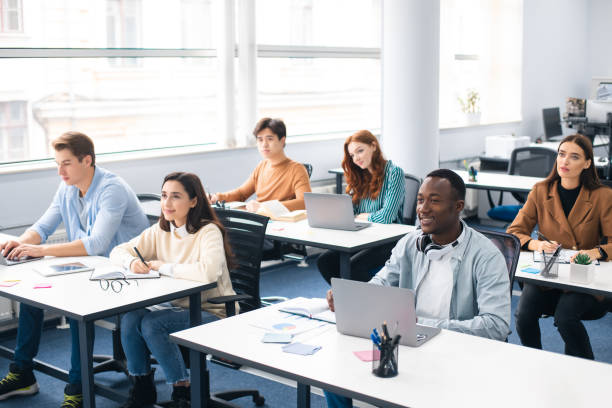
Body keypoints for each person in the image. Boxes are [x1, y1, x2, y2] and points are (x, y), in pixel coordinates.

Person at [325, 169, 511, 408]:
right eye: (421, 199)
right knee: (335, 378)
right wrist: (352, 298)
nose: (423, 208)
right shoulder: (410, 243)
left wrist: (422, 326)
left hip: (457, 351)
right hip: (410, 343)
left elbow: (496, 325)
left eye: (434, 200)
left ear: (458, 206)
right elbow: (381, 283)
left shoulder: (486, 256)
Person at [0, 131, 149, 407]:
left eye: (66, 163)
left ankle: (78, 387)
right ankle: (23, 375)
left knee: (77, 306)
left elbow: (96, 243)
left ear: (87, 160)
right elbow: (42, 228)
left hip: (125, 274)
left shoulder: (111, 188)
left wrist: (40, 250)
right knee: (32, 296)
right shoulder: (67, 187)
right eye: (57, 163)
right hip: (90, 269)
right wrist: (17, 244)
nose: (60, 171)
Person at [109, 172, 236, 408]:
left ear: (193, 201)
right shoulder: (161, 230)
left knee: (152, 324)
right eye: (164, 195)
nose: (167, 203)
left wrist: (163, 266)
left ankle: (183, 390)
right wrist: (131, 263)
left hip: (213, 311)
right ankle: (142, 389)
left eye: (175, 197)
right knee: (130, 319)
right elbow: (118, 251)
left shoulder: (208, 232)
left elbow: (207, 273)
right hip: (175, 307)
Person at [507, 134, 612, 360]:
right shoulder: (541, 190)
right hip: (549, 275)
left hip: (583, 279)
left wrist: (596, 252)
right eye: (561, 154)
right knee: (523, 315)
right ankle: (535, 362)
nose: (564, 161)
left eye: (574, 157)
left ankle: (588, 370)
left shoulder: (603, 196)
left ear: (587, 163)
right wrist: (537, 244)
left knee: (565, 318)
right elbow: (514, 233)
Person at [317, 130, 405, 283]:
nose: (356, 158)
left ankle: (372, 299)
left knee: (352, 267)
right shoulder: (360, 176)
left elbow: (387, 217)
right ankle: (346, 298)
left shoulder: (394, 173)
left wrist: (363, 216)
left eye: (360, 151)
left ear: (373, 146)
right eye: (352, 155)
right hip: (364, 237)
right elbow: (352, 214)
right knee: (324, 261)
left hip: (389, 239)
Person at [210, 117, 311, 212]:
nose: (264, 144)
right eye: (260, 139)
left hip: (279, 222)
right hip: (259, 218)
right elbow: (241, 194)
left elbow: (305, 203)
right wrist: (217, 197)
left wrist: (265, 207)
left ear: (282, 140)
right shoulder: (262, 166)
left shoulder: (297, 169)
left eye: (270, 139)